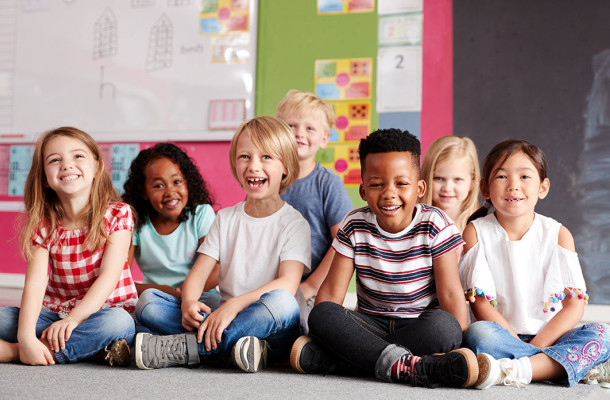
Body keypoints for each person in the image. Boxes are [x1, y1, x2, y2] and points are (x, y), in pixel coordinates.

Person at [290, 128, 479, 388]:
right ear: (364, 189)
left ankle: (346, 360)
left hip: (418, 325)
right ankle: (411, 366)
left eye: (401, 183)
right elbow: (331, 294)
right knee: (322, 314)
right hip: (369, 323)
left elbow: (449, 295)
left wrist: (457, 337)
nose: (389, 193)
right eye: (377, 184)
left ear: (420, 188)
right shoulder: (355, 225)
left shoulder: (436, 224)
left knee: (444, 326)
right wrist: (324, 329)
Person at [133, 116, 311, 373]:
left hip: (270, 324)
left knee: (283, 303)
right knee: (148, 303)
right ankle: (237, 349)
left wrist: (234, 305)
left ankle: (189, 349)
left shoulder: (294, 224)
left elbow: (288, 284)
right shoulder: (226, 218)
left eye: (266, 157)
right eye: (245, 157)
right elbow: (198, 273)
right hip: (223, 315)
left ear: (285, 166)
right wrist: (189, 304)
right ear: (235, 164)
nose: (254, 166)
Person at [459, 139, 610, 389]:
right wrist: (523, 345)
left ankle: (516, 368)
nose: (513, 186)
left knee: (602, 334)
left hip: (551, 338)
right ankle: (552, 367)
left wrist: (540, 345)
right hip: (501, 338)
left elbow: (574, 307)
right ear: (485, 188)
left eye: (525, 176)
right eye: (502, 177)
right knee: (478, 334)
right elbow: (480, 304)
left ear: (543, 187)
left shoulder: (559, 234)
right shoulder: (475, 233)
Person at [0, 127, 137, 366]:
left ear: (96, 167)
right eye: (54, 160)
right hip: (57, 315)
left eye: (78, 156)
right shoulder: (43, 225)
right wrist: (26, 333)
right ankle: (91, 349)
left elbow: (109, 277)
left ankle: (19, 352)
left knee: (118, 323)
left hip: (103, 313)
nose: (66, 165)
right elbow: (34, 284)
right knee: (4, 318)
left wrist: (73, 320)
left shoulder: (118, 214)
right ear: (44, 178)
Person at [122, 143, 221, 332]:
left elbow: (216, 268)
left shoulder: (201, 214)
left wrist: (187, 294)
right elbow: (120, 278)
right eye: (158, 185)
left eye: (177, 182)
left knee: (217, 303)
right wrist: (166, 291)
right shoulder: (135, 222)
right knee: (146, 307)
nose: (170, 192)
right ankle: (200, 336)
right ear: (144, 192)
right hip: (159, 298)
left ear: (187, 183)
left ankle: (170, 337)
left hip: (201, 295)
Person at [276, 90, 352, 332]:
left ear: (324, 139)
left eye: (310, 128)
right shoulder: (267, 180)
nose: (299, 133)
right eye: (291, 125)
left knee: (310, 328)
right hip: (272, 282)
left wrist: (310, 286)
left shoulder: (328, 183)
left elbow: (343, 242)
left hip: (312, 286)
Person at [419, 135, 480, 233]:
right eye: (439, 178)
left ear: (472, 182)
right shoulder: (412, 224)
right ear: (425, 178)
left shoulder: (480, 227)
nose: (447, 188)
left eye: (457, 179)